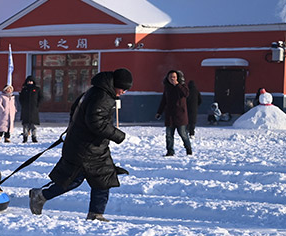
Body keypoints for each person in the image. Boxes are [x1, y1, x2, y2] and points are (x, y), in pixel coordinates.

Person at [28, 68, 134, 222]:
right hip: (85, 148)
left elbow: (76, 111)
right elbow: (96, 122)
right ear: (115, 84)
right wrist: (118, 135)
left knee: (102, 180)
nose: (124, 92)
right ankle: (41, 195)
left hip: (90, 146)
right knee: (72, 179)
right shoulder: (103, 97)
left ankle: (96, 214)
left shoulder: (94, 91)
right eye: (123, 88)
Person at [155, 70, 192, 156]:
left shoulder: (182, 86)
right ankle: (170, 151)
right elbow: (164, 101)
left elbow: (186, 94)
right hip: (170, 116)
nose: (172, 79)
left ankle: (188, 149)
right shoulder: (167, 87)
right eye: (170, 77)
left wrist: (178, 85)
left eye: (174, 77)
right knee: (169, 135)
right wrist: (159, 112)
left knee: (183, 134)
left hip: (180, 116)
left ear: (177, 78)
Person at [18, 76, 43, 143]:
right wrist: (23, 104)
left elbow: (41, 98)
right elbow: (21, 98)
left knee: (34, 125)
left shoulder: (37, 89)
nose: (29, 82)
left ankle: (34, 137)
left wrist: (37, 105)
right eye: (28, 81)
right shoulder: (24, 89)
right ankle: (25, 137)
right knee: (25, 125)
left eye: (31, 81)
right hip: (25, 109)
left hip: (34, 110)